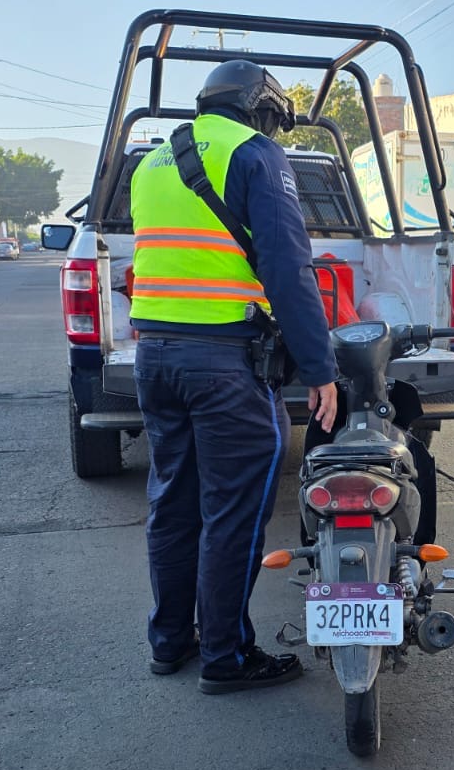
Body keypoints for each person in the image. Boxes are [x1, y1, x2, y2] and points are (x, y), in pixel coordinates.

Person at [129, 59, 340, 692]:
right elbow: (289, 269)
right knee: (233, 512)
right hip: (224, 364)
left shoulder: (152, 162)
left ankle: (171, 641)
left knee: (173, 505)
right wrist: (320, 368)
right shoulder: (256, 154)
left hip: (155, 358)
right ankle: (226, 656)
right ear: (262, 110)